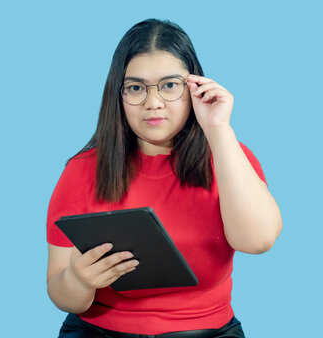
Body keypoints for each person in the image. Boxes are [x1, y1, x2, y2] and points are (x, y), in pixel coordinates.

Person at [46, 19, 282, 338]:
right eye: (135, 88)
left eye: (169, 85)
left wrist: (218, 130)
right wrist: (78, 278)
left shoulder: (229, 156)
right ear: (118, 95)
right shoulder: (83, 169)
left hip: (207, 331)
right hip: (100, 331)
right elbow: (61, 294)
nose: (153, 103)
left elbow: (257, 241)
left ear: (194, 88)